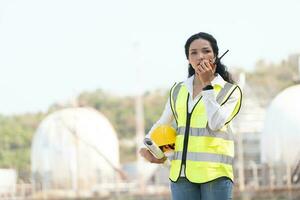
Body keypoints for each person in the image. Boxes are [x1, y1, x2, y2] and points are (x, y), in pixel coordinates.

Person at [139, 32, 242, 200]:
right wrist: (147, 146)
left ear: (215, 55)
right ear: (188, 59)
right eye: (193, 53)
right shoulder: (178, 89)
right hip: (181, 175)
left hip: (214, 175)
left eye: (206, 51)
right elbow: (163, 122)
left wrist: (207, 85)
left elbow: (216, 123)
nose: (200, 56)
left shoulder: (230, 91)